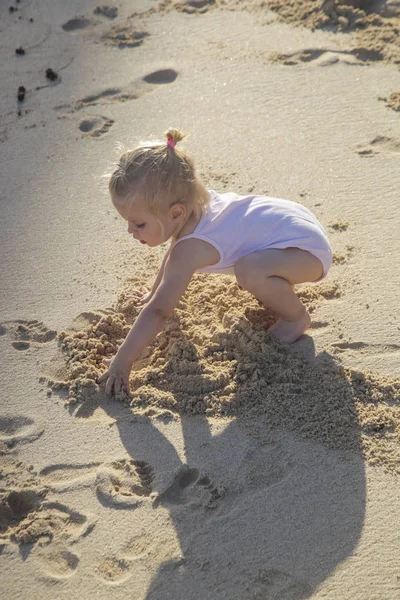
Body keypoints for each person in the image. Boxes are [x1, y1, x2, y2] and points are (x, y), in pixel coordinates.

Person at [98, 128, 332, 395]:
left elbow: (159, 312)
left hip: (306, 251)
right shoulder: (192, 210)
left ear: (176, 213)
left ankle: (296, 318)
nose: (130, 230)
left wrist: (123, 361)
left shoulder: (189, 249)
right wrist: (154, 291)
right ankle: (274, 276)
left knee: (248, 271)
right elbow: (173, 258)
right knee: (251, 265)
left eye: (138, 223)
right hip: (297, 226)